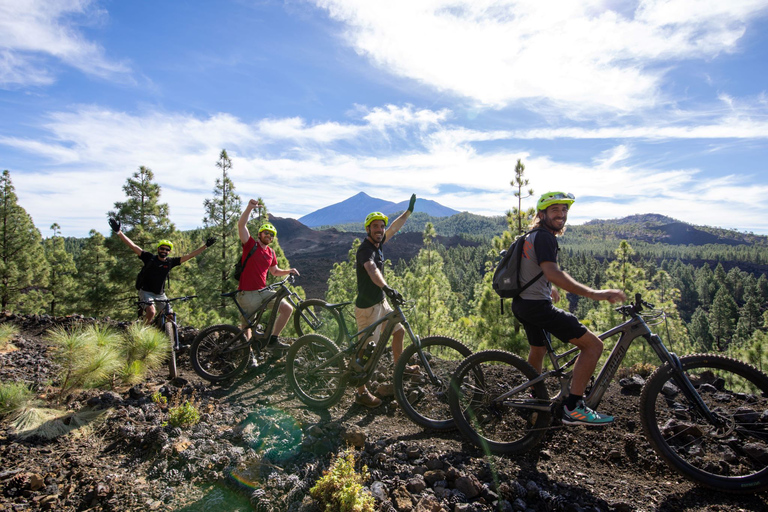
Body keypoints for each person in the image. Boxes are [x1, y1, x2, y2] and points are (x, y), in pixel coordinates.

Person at [511, 192, 626, 425]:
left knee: (538, 349)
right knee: (593, 346)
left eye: (564, 210)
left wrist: (548, 286)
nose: (561, 215)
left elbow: (534, 269)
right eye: (555, 210)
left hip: (523, 303)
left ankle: (535, 398)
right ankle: (573, 407)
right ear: (542, 214)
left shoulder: (532, 235)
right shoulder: (545, 237)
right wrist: (595, 293)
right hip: (537, 307)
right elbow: (552, 271)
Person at [353, 194, 417, 408]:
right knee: (367, 351)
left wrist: (407, 212)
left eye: (381, 226)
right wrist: (386, 287)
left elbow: (395, 228)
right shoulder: (365, 250)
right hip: (368, 308)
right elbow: (371, 270)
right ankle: (361, 392)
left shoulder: (378, 243)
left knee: (398, 331)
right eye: (375, 227)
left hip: (381, 303)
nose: (380, 230)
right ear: (368, 229)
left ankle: (400, 367)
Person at [109, 218, 215, 324]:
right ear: (158, 249)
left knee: (170, 316)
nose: (164, 251)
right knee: (151, 312)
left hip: (160, 294)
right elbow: (133, 246)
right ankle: (141, 331)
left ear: (169, 252)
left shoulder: (170, 262)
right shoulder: (149, 258)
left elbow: (190, 255)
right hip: (146, 292)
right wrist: (119, 232)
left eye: (167, 250)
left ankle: (164, 332)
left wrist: (205, 246)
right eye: (162, 249)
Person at [237, 199, 299, 351]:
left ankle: (273, 339)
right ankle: (248, 354)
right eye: (266, 233)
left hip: (262, 291)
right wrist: (249, 208)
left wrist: (288, 271)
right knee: (247, 325)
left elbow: (274, 271)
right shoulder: (250, 244)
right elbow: (241, 225)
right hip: (248, 293)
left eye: (272, 235)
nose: (269, 236)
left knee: (287, 309)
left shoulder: (271, 252)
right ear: (260, 234)